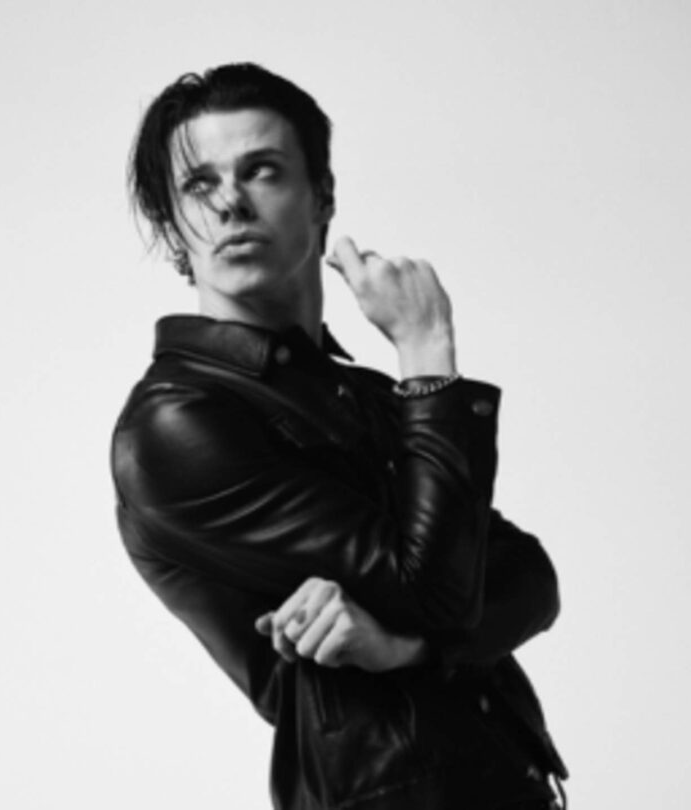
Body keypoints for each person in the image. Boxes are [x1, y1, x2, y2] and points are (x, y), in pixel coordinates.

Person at [111, 62, 568, 810]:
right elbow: (436, 591)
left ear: (322, 195)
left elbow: (532, 581)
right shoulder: (179, 422)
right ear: (171, 221)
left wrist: (407, 647)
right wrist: (425, 348)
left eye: (261, 170)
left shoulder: (360, 395)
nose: (230, 203)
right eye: (198, 184)